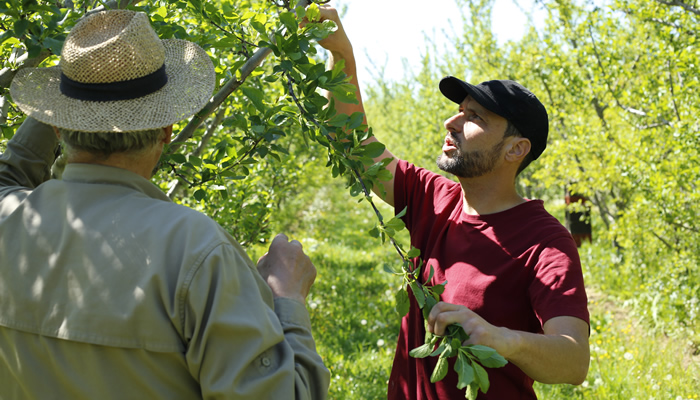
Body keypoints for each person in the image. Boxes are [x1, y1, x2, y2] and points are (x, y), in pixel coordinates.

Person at [1, 9, 329, 399]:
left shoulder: (10, 220)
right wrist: (288, 299)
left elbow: (10, 174)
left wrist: (73, 91)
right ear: (168, 130)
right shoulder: (198, 251)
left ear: (56, 126)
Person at [315, 6, 590, 399]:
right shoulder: (433, 198)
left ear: (516, 148)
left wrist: (500, 339)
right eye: (459, 110)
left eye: (474, 116)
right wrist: (343, 55)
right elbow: (353, 144)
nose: (452, 122)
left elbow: (574, 361)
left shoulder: (545, 243)